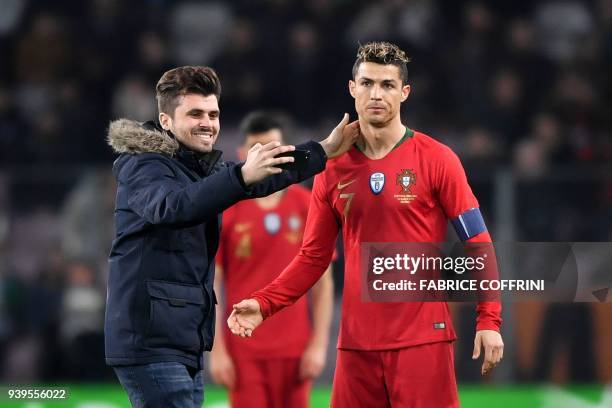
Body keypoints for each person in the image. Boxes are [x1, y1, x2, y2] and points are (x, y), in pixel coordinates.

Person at [227, 42, 504, 407]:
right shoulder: (332, 170)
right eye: (368, 83)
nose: (377, 94)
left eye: (388, 85)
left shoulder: (438, 159)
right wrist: (264, 304)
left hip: (423, 341)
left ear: (404, 92)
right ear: (352, 88)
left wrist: (489, 319)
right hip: (356, 347)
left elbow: (478, 241)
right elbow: (313, 257)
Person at [104, 66, 359, 408]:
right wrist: (241, 176)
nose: (207, 123)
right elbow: (172, 207)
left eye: (213, 114)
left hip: (180, 343)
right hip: (152, 343)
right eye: (195, 113)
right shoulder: (143, 165)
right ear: (165, 120)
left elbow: (263, 177)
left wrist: (322, 151)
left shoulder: (196, 170)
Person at [210, 111, 334, 407]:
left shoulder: (308, 205)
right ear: (242, 154)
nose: (267, 155)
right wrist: (217, 351)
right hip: (243, 351)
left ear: (288, 153)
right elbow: (211, 286)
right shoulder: (226, 210)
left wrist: (318, 346)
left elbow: (323, 284)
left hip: (295, 350)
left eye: (274, 147)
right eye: (257, 148)